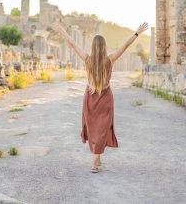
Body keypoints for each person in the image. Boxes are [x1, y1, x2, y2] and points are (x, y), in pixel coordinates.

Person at [51, 22, 149, 173]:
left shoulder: (87, 59)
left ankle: (97, 156)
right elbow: (125, 46)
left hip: (90, 98)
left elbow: (72, 43)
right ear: (104, 47)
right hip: (105, 99)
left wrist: (62, 31)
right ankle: (95, 163)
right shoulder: (110, 60)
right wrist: (137, 33)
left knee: (93, 128)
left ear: (93, 47)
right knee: (102, 128)